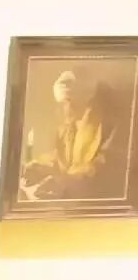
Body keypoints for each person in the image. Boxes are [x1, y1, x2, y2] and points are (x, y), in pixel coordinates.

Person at [21, 69, 124, 201]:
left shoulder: (109, 125)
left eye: (66, 102)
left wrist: (65, 182)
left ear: (86, 100)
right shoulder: (69, 125)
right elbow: (61, 159)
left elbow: (104, 168)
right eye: (60, 104)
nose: (62, 109)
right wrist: (39, 166)